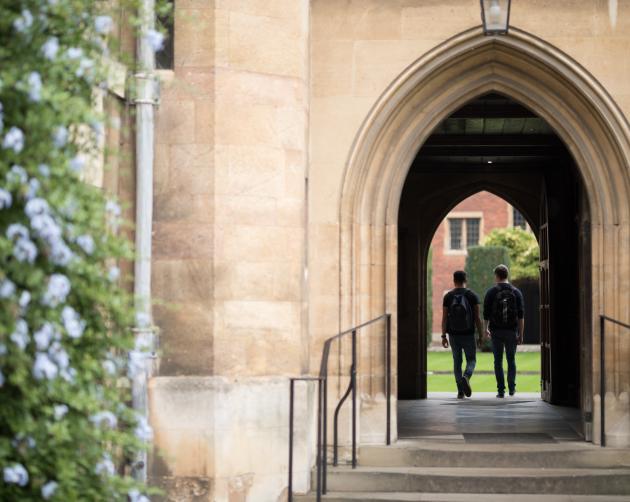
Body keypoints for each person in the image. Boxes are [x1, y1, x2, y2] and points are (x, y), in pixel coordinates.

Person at [483, 264, 525, 398]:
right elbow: (521, 316)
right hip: (511, 331)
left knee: (498, 361)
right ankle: (512, 388)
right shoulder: (516, 292)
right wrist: (521, 334)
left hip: (496, 331)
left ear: (496, 276)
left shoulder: (491, 292)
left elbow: (486, 314)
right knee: (511, 360)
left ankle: (501, 390)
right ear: (507, 275)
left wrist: (486, 329)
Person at [441, 270, 484, 399]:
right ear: (466, 280)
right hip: (468, 334)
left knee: (457, 361)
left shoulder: (448, 297)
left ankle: (460, 391)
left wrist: (443, 336)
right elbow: (477, 318)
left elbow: (444, 318)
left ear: (454, 280)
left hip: (453, 334)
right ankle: (467, 376)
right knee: (471, 359)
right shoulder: (472, 296)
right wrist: (481, 335)